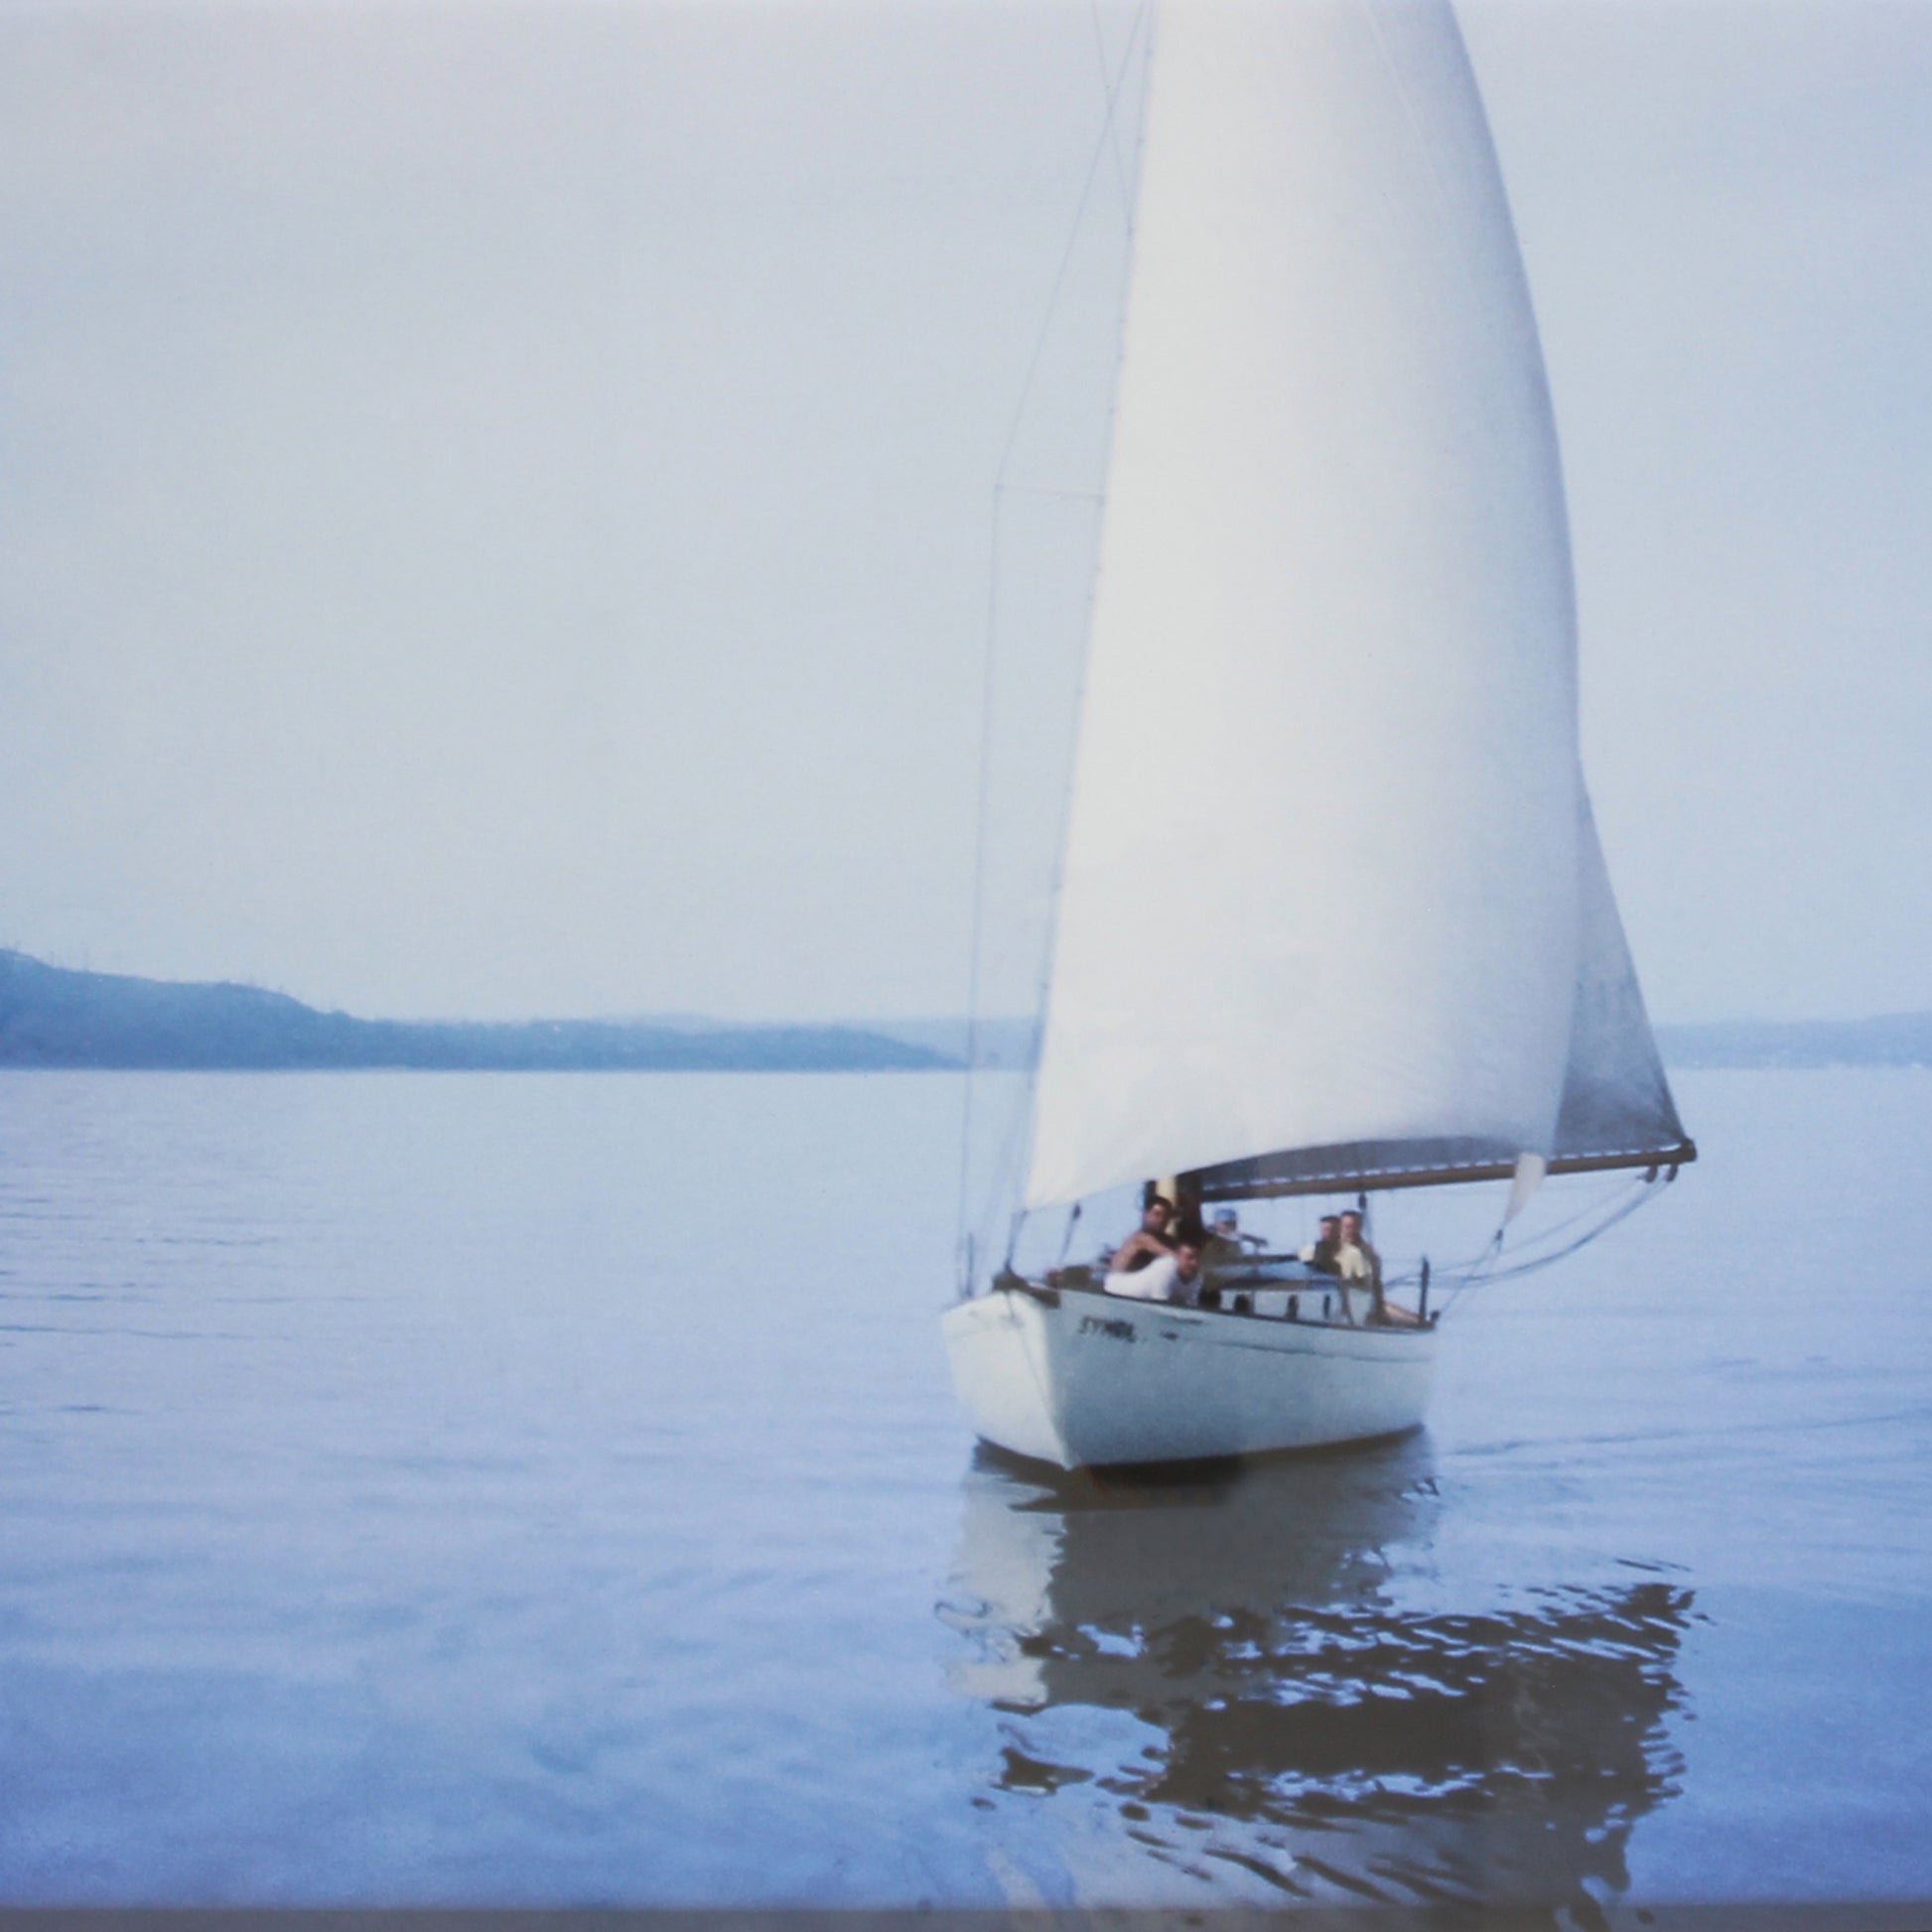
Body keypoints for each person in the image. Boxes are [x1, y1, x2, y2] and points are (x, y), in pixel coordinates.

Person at [1106, 1235, 1205, 1308]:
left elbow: (1190, 1307)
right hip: (1115, 1289)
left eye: (1197, 1258)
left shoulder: (1197, 1277)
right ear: (1177, 1256)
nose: (1194, 1263)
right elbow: (1160, 1308)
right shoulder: (1166, 1267)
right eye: (1189, 1257)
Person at [1108, 1195, 1176, 1275]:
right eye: (1157, 1214)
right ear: (1145, 1214)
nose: (1161, 1220)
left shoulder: (1167, 1240)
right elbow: (1173, 1257)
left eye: (1166, 1216)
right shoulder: (1140, 1238)